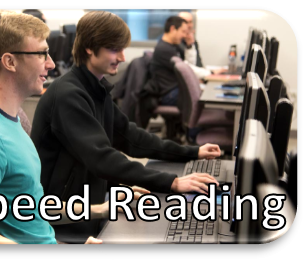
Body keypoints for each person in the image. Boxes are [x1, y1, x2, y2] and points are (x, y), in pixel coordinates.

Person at [0, 10, 147, 245]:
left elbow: (34, 207)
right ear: (9, 62)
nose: (52, 64)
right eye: (42, 54)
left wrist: (103, 209)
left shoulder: (12, 121)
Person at [31, 10, 221, 244]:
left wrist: (191, 152)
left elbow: (130, 137)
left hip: (92, 200)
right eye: (114, 49)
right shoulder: (69, 95)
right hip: (68, 217)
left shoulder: (95, 87)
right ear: (90, 48)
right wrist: (171, 182)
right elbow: (101, 157)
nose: (122, 57)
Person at [149, 16, 189, 106]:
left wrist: (189, 45)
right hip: (169, 93)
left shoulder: (175, 46)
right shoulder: (163, 49)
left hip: (175, 89)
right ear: (172, 29)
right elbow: (186, 70)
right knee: (199, 97)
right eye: (182, 31)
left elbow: (188, 64)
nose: (184, 36)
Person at [178, 11, 227, 79]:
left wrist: (190, 45)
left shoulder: (192, 41)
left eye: (190, 22)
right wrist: (211, 72)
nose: (189, 25)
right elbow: (186, 67)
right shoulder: (177, 44)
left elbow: (198, 65)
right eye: (186, 22)